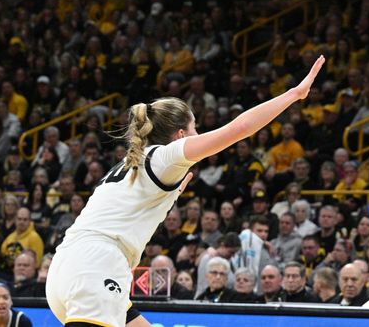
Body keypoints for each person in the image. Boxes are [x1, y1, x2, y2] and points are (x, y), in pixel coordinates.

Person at [46, 56, 325, 327]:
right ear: (180, 134)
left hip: (67, 268)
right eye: (195, 128)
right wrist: (293, 94)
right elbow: (239, 128)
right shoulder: (166, 156)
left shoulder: (133, 162)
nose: (198, 134)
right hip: (98, 266)